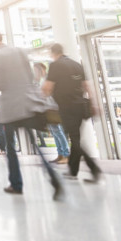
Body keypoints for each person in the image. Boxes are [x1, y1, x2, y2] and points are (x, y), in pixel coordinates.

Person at [0, 30, 62, 200]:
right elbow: (30, 76)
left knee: (10, 146)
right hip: (27, 103)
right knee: (34, 144)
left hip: (10, 108)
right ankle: (54, 179)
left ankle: (16, 184)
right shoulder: (20, 51)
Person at [42, 44, 102, 184]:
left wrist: (40, 100)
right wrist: (93, 103)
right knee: (75, 137)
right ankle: (73, 170)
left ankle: (94, 169)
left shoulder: (55, 65)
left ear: (53, 53)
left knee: (74, 140)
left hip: (67, 106)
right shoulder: (77, 65)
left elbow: (47, 88)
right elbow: (87, 86)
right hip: (80, 106)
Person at [34, 63, 69, 164]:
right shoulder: (42, 80)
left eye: (36, 70)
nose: (35, 73)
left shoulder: (48, 79)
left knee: (57, 131)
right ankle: (60, 154)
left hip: (52, 107)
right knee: (54, 132)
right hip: (47, 108)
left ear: (41, 70)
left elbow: (47, 93)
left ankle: (66, 155)